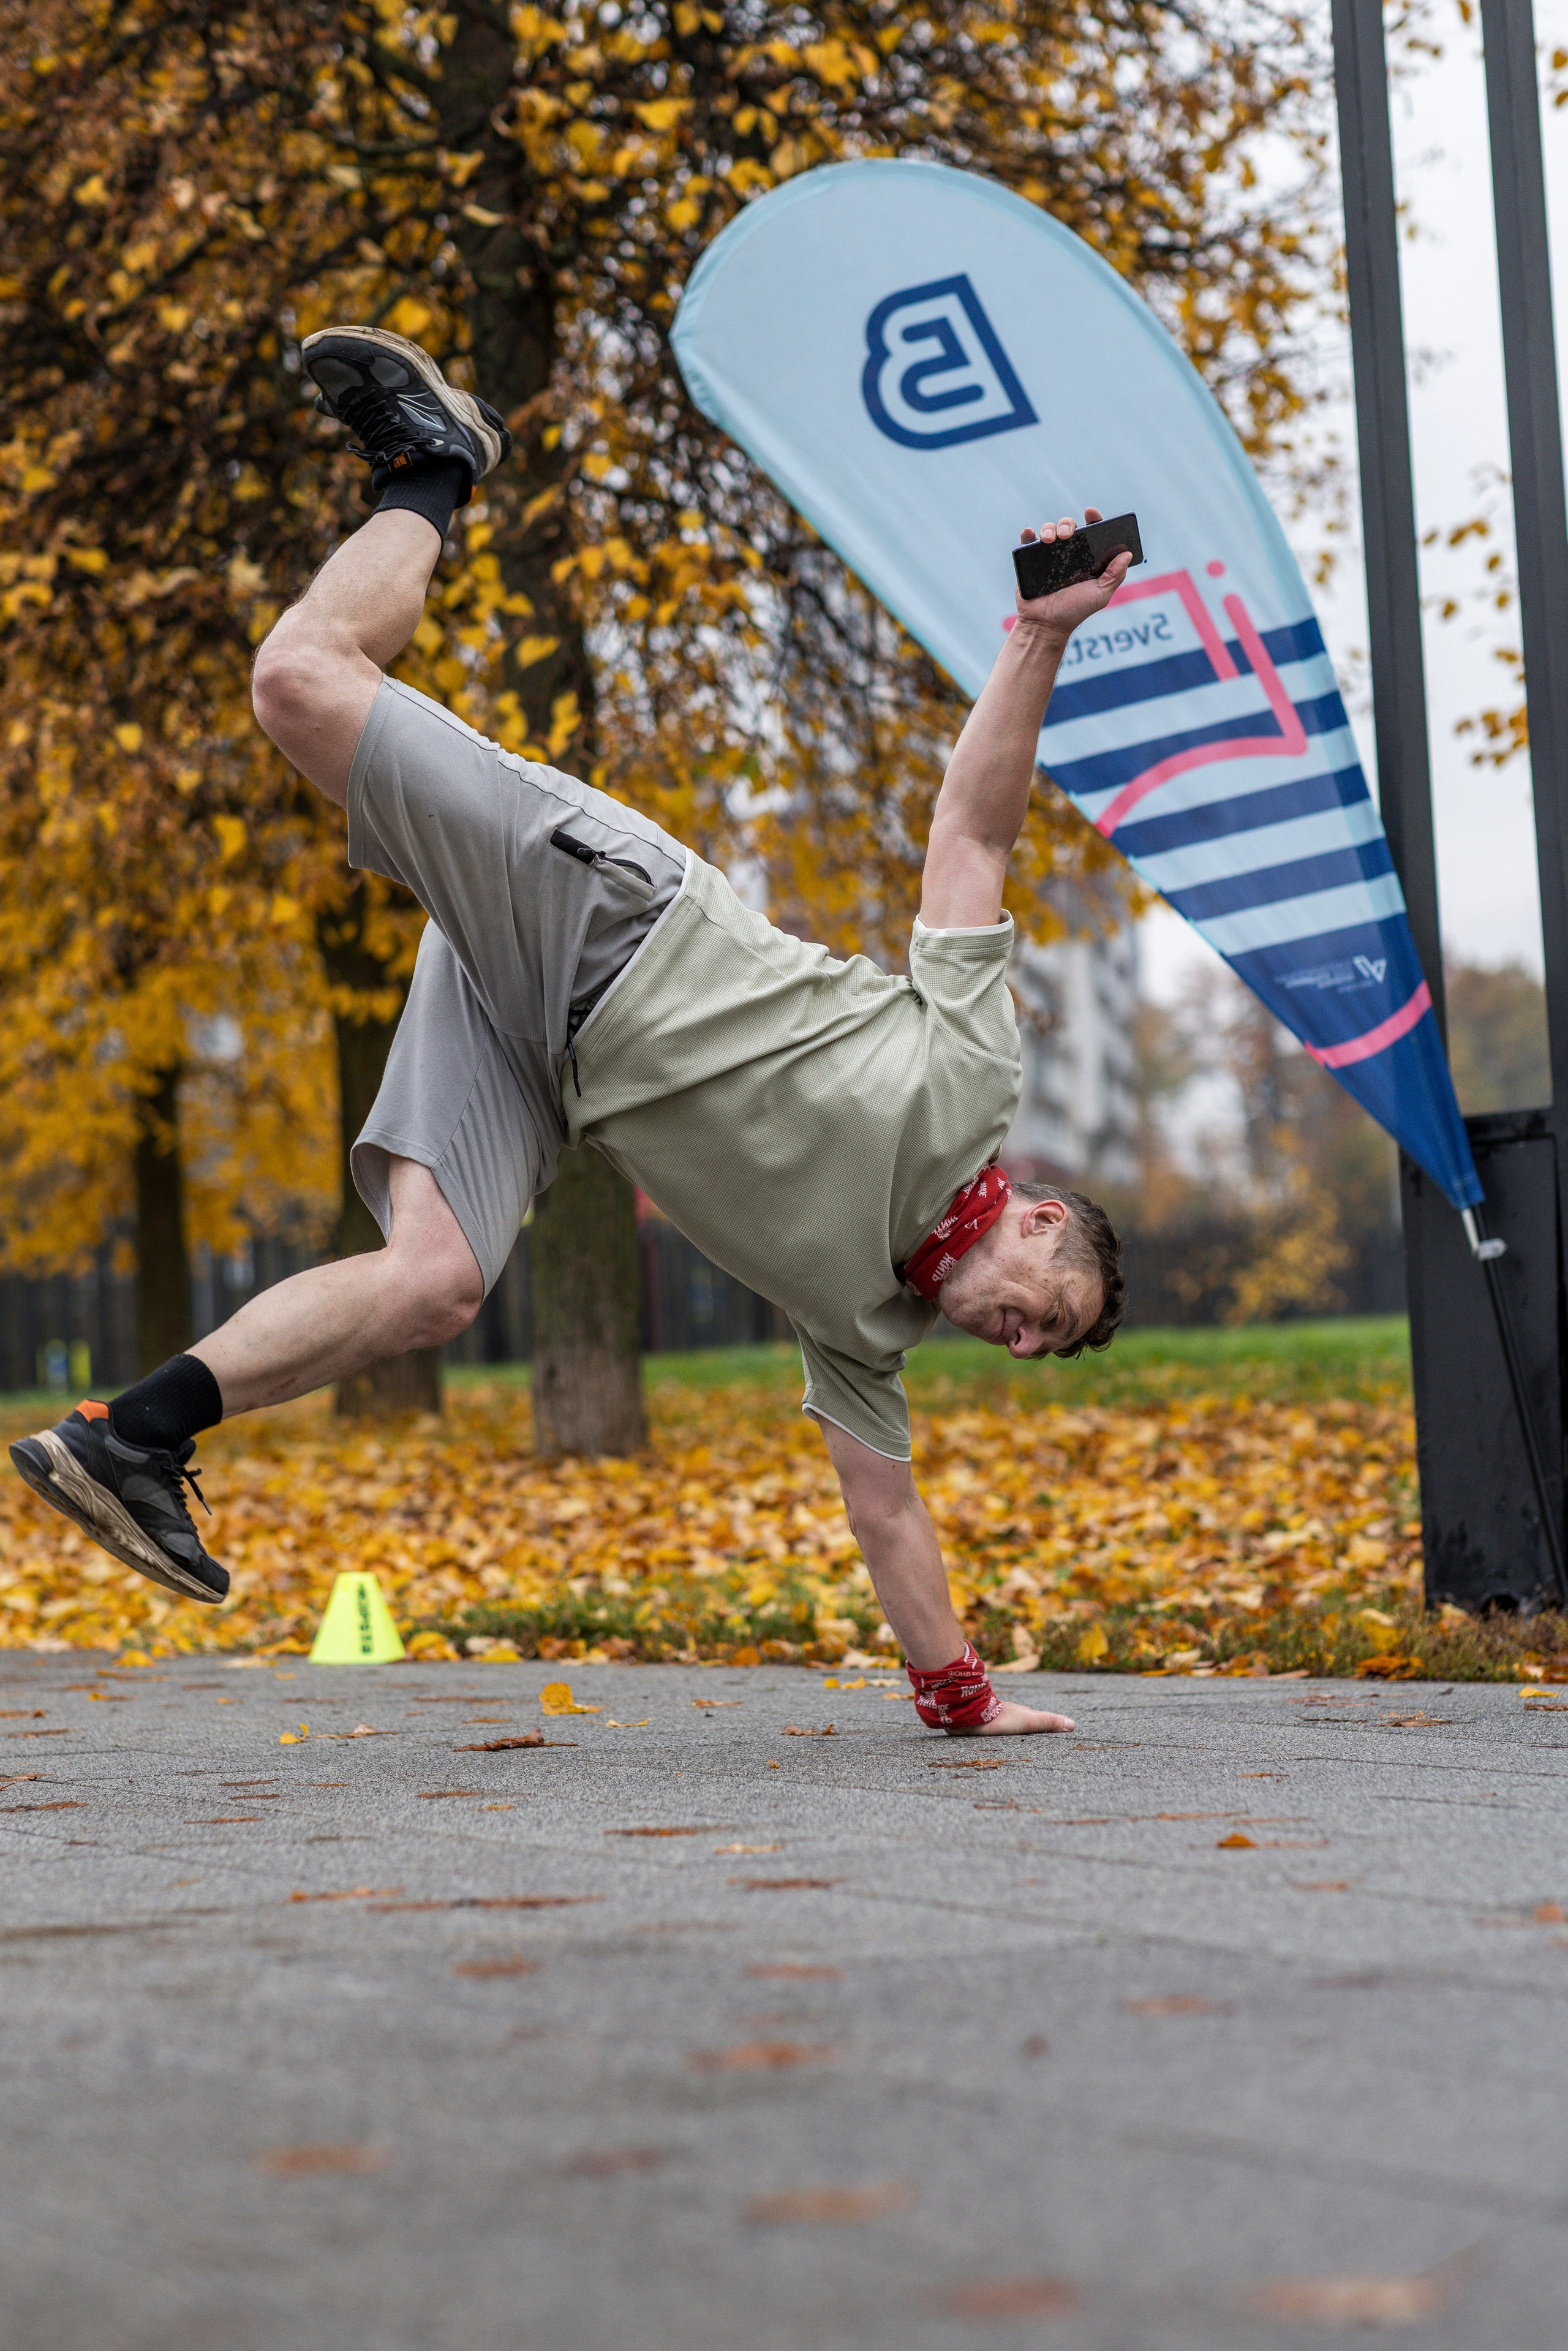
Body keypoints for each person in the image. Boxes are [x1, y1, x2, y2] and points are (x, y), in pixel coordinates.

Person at [10, 326, 1128, 1736]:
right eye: (1052, 1310)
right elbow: (969, 830)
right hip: (610, 917)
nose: (1024, 1342)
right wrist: (1034, 637)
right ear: (1033, 1220)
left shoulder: (866, 1331)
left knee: (432, 1282)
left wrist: (961, 1700)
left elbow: (886, 1511)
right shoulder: (970, 1076)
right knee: (299, 680)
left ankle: (135, 1436)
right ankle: (431, 464)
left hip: (545, 1058)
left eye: (1039, 1350)